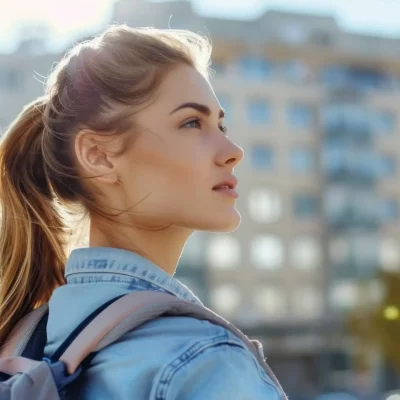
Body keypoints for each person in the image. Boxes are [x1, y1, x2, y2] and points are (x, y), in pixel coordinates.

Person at [0, 25, 285, 399]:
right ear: (98, 156)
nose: (233, 150)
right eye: (191, 123)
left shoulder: (21, 344)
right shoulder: (202, 361)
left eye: (221, 124)